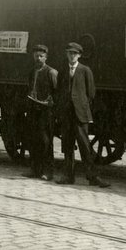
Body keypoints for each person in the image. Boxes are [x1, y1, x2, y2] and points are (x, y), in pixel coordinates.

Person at [57, 42, 107, 187]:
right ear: (67, 54)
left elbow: (91, 93)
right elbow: (59, 90)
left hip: (80, 115)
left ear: (79, 55)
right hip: (67, 113)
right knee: (67, 145)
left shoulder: (85, 70)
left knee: (85, 146)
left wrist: (83, 108)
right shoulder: (62, 70)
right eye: (69, 53)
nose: (71, 56)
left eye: (74, 53)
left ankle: (92, 177)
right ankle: (68, 176)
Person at [24, 44, 59, 179]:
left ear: (46, 57)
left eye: (41, 56)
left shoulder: (51, 72)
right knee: (33, 140)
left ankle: (48, 172)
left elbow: (57, 92)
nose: (38, 58)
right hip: (33, 110)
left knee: (45, 141)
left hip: (46, 111)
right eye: (36, 56)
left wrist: (52, 104)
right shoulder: (32, 71)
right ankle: (34, 169)